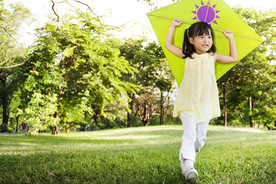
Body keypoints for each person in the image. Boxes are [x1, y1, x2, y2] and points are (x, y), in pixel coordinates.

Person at [165, 18, 238, 183]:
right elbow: (169, 45)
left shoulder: (212, 57)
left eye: (209, 37)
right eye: (201, 36)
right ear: (191, 40)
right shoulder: (187, 55)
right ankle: (189, 168)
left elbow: (234, 57)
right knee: (190, 135)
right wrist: (172, 26)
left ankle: (185, 158)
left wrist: (230, 38)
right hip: (188, 102)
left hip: (205, 103)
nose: (206, 40)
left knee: (200, 139)